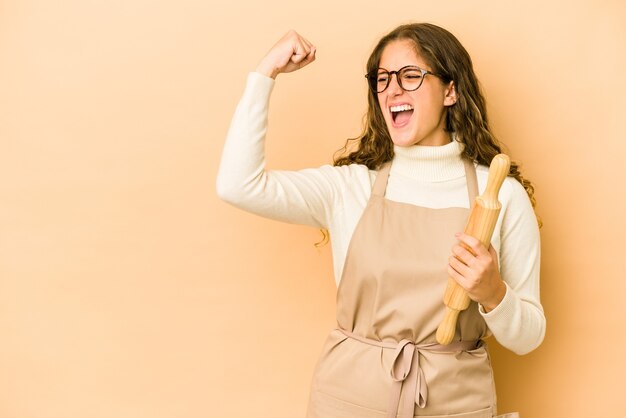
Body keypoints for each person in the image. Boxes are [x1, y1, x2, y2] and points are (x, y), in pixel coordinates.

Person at [217, 23, 545, 418]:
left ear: (450, 91)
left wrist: (494, 293)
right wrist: (265, 74)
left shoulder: (501, 197)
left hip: (457, 405)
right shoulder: (349, 188)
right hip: (345, 400)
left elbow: (529, 338)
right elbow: (238, 185)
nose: (392, 90)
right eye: (383, 79)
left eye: (410, 76)